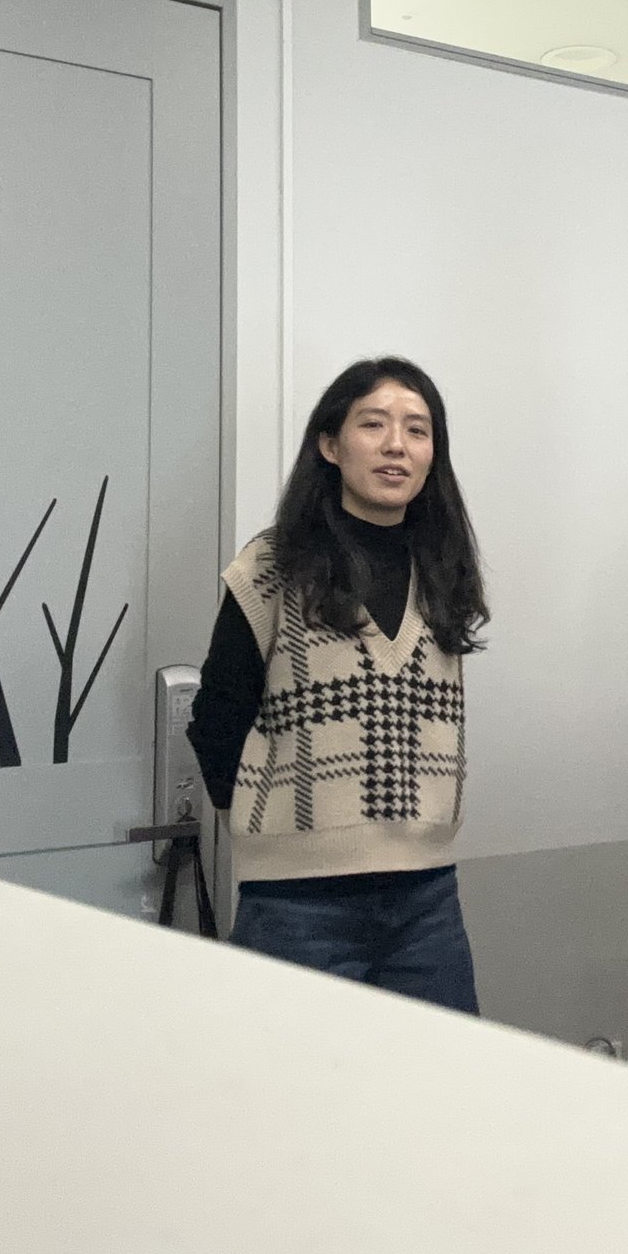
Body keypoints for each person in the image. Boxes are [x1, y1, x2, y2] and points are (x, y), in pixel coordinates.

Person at [186, 357, 488, 1013]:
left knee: (437, 1073)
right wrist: (275, 826)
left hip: (427, 898)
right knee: (293, 1076)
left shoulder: (443, 567)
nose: (395, 445)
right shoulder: (273, 565)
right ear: (330, 444)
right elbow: (217, 717)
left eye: (417, 430)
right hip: (296, 903)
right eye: (373, 424)